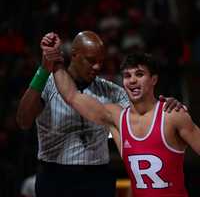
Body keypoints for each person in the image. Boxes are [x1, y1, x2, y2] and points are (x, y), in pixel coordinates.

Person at [17, 31, 184, 197]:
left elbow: (145, 113)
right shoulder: (47, 84)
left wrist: (166, 105)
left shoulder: (112, 91)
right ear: (74, 55)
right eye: (91, 61)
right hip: (55, 176)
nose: (97, 67)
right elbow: (23, 121)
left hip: (97, 176)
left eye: (100, 62)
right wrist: (43, 70)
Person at [50, 48, 200, 197]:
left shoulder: (172, 115)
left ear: (154, 79)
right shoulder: (116, 116)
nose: (132, 80)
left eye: (139, 74)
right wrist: (55, 60)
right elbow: (72, 96)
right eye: (127, 76)